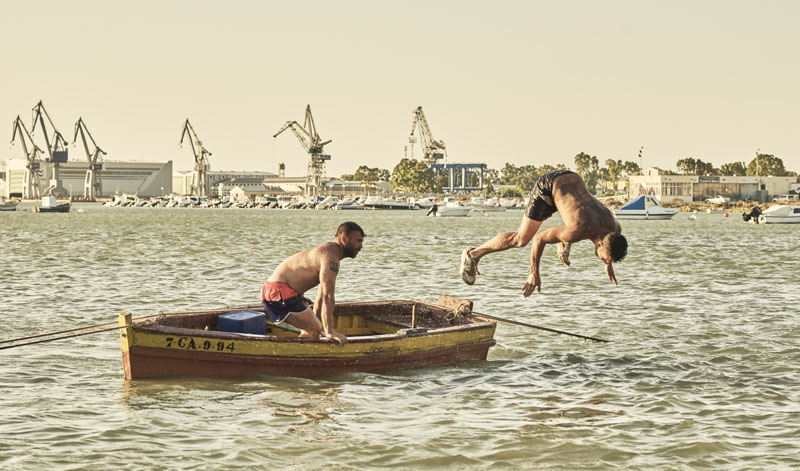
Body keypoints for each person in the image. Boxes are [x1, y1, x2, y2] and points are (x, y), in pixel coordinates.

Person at [459, 170, 627, 296]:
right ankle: (472, 254)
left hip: (571, 180)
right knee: (520, 239)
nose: (605, 261)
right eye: (606, 258)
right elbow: (539, 239)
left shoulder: (614, 228)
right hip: (548, 188)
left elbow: (603, 240)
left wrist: (608, 264)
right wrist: (534, 273)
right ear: (600, 244)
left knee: (577, 228)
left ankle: (561, 239)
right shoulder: (578, 230)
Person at [260, 221, 365, 345]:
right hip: (278, 292)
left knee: (313, 328)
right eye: (358, 241)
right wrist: (329, 331)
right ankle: (299, 357)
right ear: (344, 238)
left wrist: (316, 322)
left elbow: (320, 297)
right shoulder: (330, 259)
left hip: (280, 291)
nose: (361, 246)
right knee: (314, 329)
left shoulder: (330, 255)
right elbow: (328, 297)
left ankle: (303, 352)